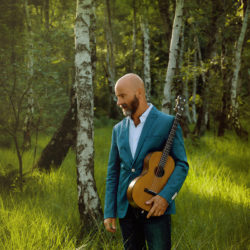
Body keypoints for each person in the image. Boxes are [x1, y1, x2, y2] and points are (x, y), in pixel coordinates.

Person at [104, 73, 189, 250]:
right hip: (126, 208)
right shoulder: (118, 129)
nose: (118, 102)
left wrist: (165, 197)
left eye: (122, 96)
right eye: (117, 96)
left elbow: (181, 165)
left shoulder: (168, 123)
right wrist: (109, 211)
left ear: (139, 93)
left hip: (155, 205)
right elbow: (113, 172)